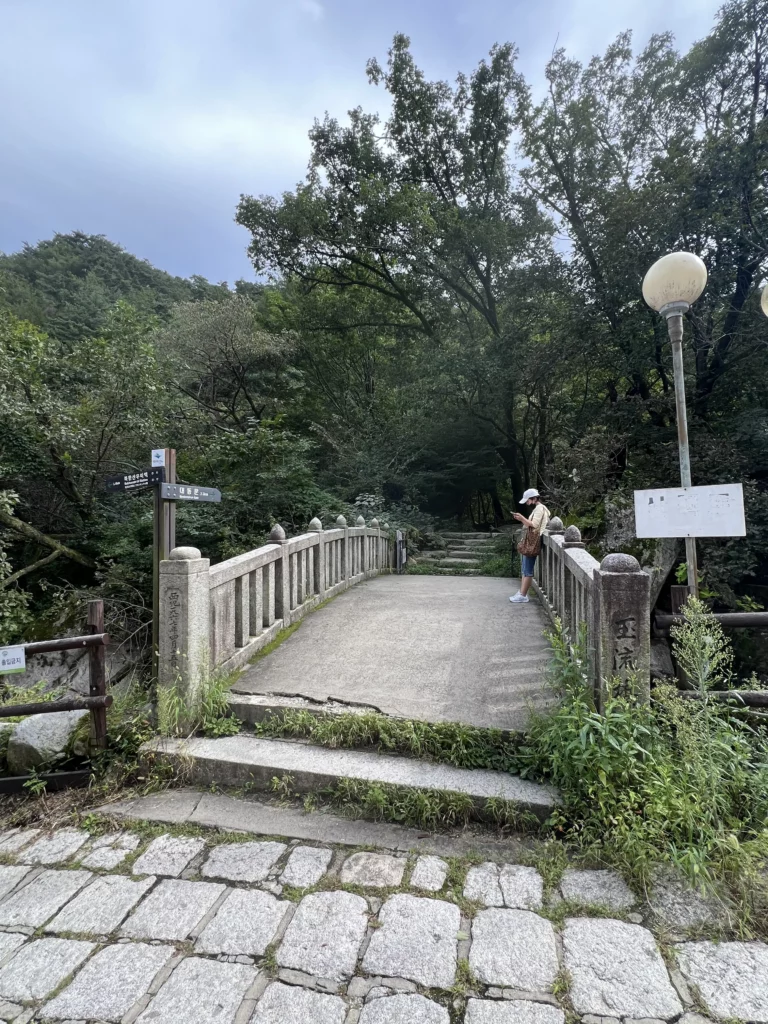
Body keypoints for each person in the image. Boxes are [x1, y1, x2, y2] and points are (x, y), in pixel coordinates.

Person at [509, 488, 550, 604]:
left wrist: (522, 518)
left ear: (534, 499)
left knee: (527, 570)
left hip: (532, 542)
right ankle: (522, 592)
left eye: (528, 500)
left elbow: (534, 525)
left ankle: (523, 595)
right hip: (531, 541)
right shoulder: (539, 509)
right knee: (525, 569)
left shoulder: (539, 509)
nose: (527, 503)